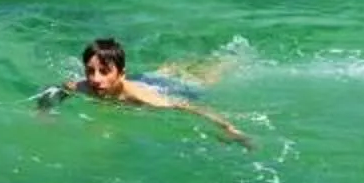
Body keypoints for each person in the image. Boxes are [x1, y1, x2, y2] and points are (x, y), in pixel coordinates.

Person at [40, 38, 252, 146]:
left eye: (104, 72)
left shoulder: (143, 98)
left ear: (121, 73)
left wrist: (229, 128)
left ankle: (230, 59)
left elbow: (187, 106)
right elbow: (57, 90)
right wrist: (43, 112)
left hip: (164, 88)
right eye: (90, 71)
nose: (95, 79)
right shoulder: (83, 86)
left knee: (202, 80)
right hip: (145, 79)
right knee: (164, 71)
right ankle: (175, 66)